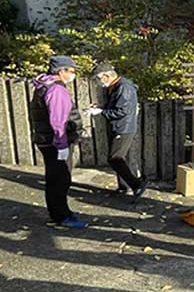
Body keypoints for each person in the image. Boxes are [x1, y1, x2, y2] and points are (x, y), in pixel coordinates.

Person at [30, 56, 86, 229]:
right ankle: (61, 217)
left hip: (46, 140)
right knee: (60, 179)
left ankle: (61, 213)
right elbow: (58, 121)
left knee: (54, 178)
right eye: (72, 70)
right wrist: (61, 145)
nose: (73, 73)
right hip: (55, 142)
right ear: (61, 71)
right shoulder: (56, 90)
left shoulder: (43, 86)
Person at [88, 63, 145, 199]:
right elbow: (116, 106)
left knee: (115, 159)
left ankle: (137, 185)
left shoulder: (124, 87)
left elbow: (122, 111)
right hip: (120, 126)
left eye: (98, 79)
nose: (97, 83)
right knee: (119, 158)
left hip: (124, 128)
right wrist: (101, 107)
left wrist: (101, 112)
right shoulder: (117, 86)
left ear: (106, 76)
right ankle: (123, 187)